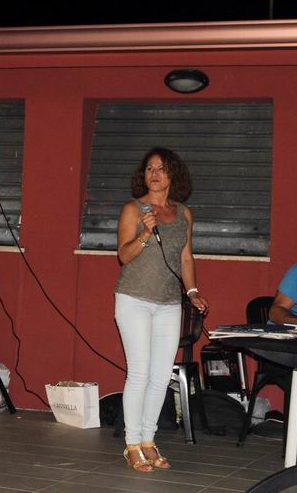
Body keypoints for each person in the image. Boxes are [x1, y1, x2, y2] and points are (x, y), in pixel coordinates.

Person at [115, 147, 208, 473]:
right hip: (134, 299)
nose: (154, 174)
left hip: (169, 303)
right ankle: (131, 444)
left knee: (160, 376)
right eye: (149, 169)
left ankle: (148, 440)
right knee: (139, 372)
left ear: (172, 175)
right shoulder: (133, 209)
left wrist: (192, 292)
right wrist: (144, 233)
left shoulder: (184, 214)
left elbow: (185, 257)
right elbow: (123, 256)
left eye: (161, 168)